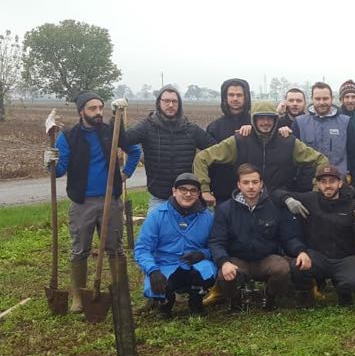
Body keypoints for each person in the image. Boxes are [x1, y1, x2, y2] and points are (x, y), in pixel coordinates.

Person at [45, 92, 142, 313]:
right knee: (79, 251)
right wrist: (50, 163)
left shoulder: (111, 131)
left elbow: (135, 151)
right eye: (92, 108)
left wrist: (125, 173)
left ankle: (120, 295)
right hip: (82, 203)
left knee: (115, 250)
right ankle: (78, 298)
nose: (98, 112)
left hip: (111, 201)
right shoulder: (69, 136)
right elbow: (59, 170)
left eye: (100, 107)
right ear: (81, 111)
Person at [209, 164, 311, 311]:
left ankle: (270, 297)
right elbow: (216, 241)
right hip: (238, 259)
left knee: (282, 269)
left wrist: (301, 251)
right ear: (238, 184)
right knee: (224, 274)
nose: (251, 187)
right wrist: (224, 262)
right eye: (246, 182)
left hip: (266, 258)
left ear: (261, 183)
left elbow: (289, 237)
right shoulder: (225, 209)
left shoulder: (275, 207)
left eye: (255, 182)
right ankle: (236, 300)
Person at [274, 165, 355, 307]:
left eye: (332, 181)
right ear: (318, 184)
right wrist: (287, 199)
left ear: (340, 183)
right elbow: (276, 193)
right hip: (318, 257)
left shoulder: (353, 206)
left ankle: (344, 293)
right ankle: (307, 295)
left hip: (345, 258)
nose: (327, 186)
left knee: (354, 282)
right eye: (323, 182)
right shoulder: (310, 199)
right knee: (298, 266)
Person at [194, 102, 328, 203]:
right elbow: (202, 158)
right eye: (261, 118)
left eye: (270, 118)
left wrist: (317, 190)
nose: (265, 122)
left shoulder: (288, 142)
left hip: (279, 203)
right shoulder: (239, 140)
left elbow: (321, 160)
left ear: (276, 120)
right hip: (245, 205)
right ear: (254, 120)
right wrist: (204, 189)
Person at [133, 173, 217, 319]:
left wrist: (203, 254)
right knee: (159, 284)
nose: (188, 194)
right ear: (174, 191)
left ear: (198, 194)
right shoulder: (157, 215)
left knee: (207, 269)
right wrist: (153, 271)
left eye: (193, 191)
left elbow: (217, 245)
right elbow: (142, 249)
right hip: (165, 266)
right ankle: (165, 303)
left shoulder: (208, 217)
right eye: (183, 189)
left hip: (194, 265)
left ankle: (196, 301)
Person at [121, 85, 213, 214]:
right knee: (154, 233)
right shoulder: (147, 126)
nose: (170, 105)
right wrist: (116, 118)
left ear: (179, 104)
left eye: (174, 101)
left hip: (188, 197)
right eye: (166, 101)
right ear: (159, 103)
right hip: (159, 198)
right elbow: (123, 140)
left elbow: (214, 149)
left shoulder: (191, 129)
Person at [205, 78, 252, 204]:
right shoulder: (214, 127)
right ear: (224, 97)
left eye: (239, 95)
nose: (235, 99)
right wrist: (207, 189)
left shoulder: (256, 124)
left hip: (253, 192)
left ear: (246, 97)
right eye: (231, 95)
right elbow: (209, 161)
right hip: (223, 193)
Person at [294, 82, 350, 179]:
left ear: (332, 99)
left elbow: (353, 154)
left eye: (325, 98)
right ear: (312, 99)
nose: (321, 102)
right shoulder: (299, 123)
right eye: (317, 99)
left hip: (337, 182)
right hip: (308, 183)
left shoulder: (346, 122)